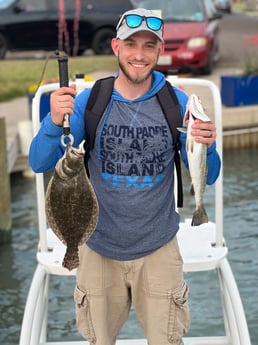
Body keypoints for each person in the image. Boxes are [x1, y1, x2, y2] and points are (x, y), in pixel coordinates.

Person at [29, 8, 221, 345]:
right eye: (131, 44)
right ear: (116, 46)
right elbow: (39, 162)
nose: (140, 55)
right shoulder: (92, 101)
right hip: (98, 246)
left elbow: (209, 175)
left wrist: (207, 146)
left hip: (159, 246)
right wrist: (52, 121)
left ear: (159, 51)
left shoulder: (175, 103)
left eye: (150, 46)